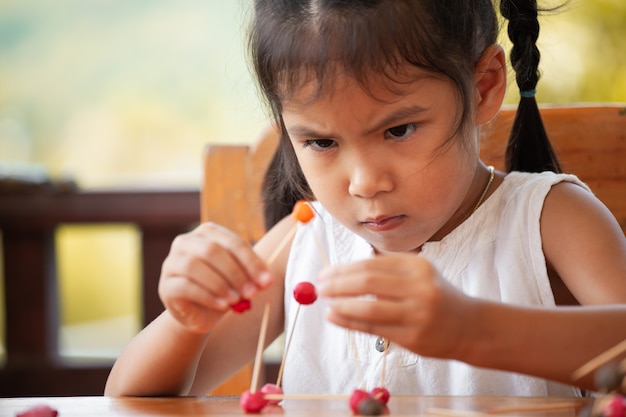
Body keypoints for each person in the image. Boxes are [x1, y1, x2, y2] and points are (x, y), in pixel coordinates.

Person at [105, 0, 626, 398]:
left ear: (484, 87)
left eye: (398, 130)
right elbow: (128, 399)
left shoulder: (548, 220)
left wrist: (474, 330)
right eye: (321, 143)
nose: (363, 183)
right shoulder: (305, 242)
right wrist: (186, 322)